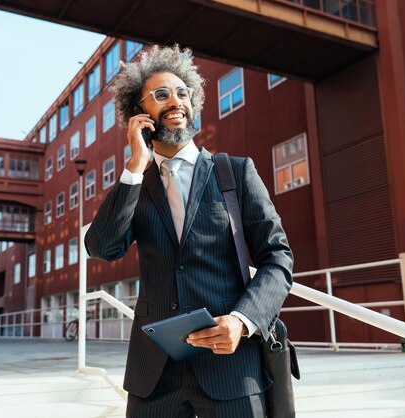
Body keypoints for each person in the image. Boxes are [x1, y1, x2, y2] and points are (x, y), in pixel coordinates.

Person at [85, 44, 293, 418]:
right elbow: (102, 247)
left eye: (183, 93)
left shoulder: (236, 173)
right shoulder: (135, 184)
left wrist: (242, 322)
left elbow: (278, 258)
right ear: (139, 113)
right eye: (161, 94)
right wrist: (134, 164)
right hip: (154, 375)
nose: (175, 101)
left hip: (230, 367)